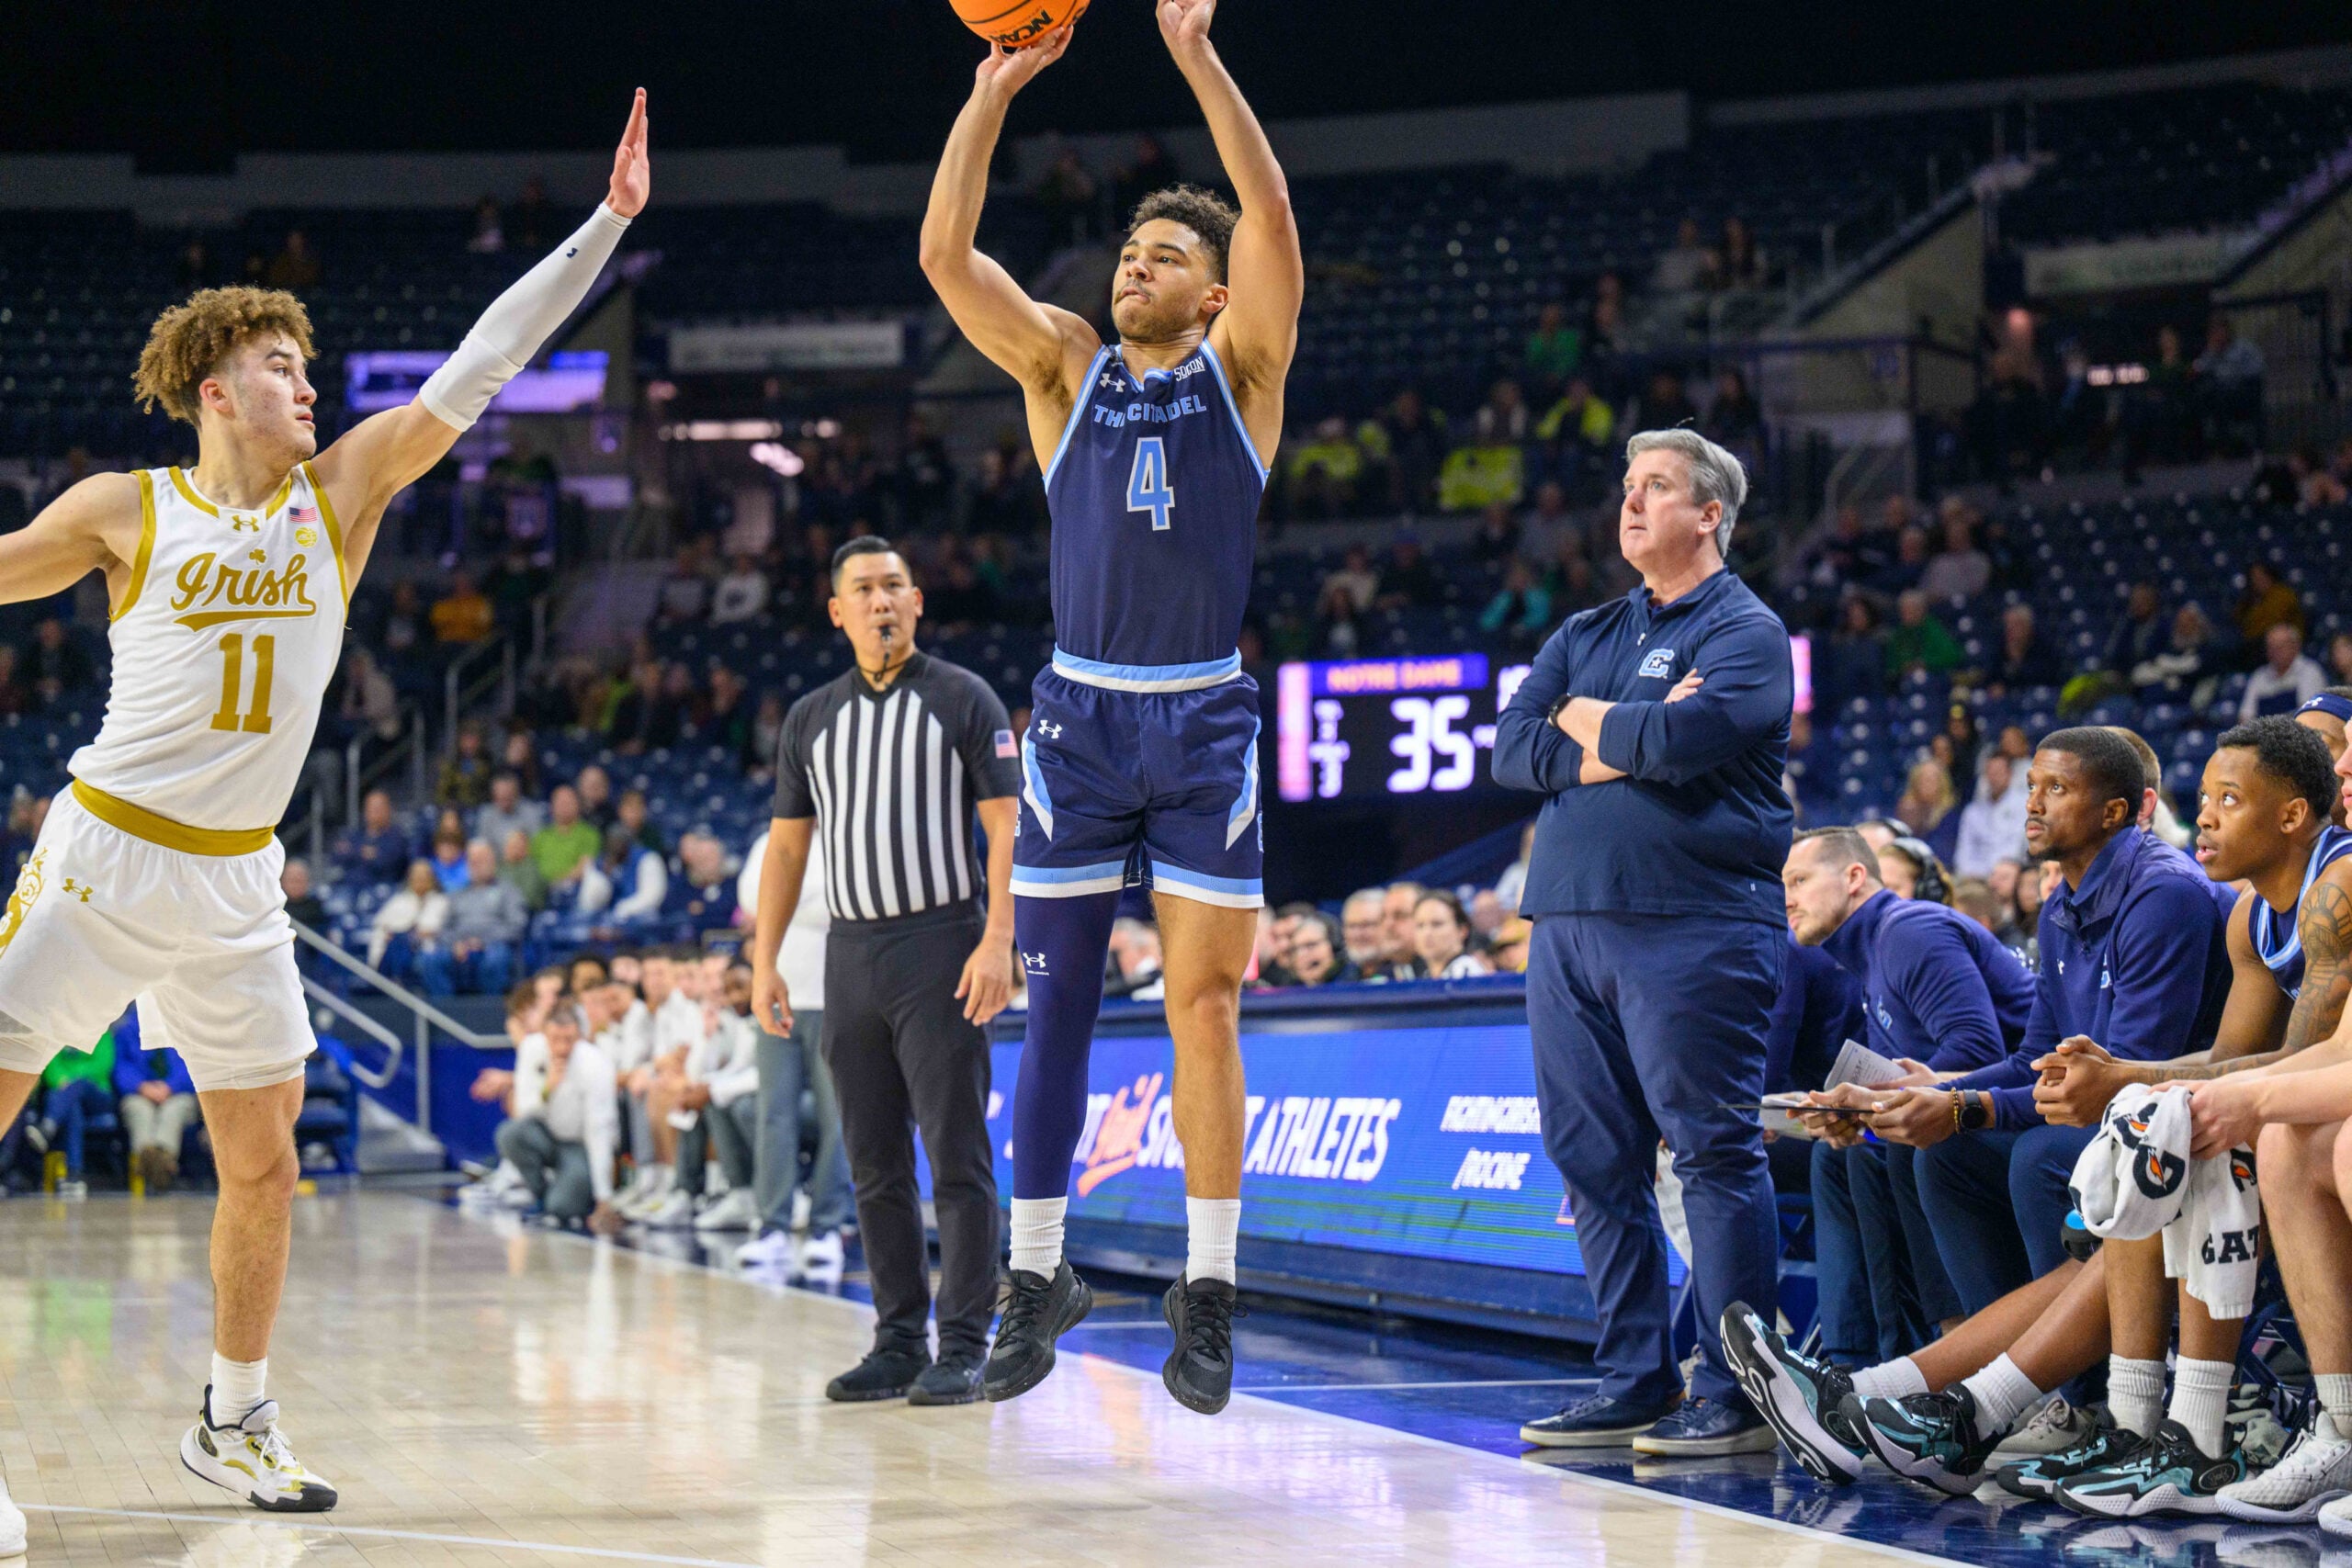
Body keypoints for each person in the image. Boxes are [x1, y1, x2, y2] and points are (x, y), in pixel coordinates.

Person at [0, 89, 649, 1534]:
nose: (312, 381)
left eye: (308, 364)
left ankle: (233, 1416)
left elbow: (483, 367)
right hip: (101, 858)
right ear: (217, 389)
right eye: (282, 365)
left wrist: (604, 225)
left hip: (237, 884)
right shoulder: (130, 506)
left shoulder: (340, 497)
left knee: (266, 1155)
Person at [921, 0, 1301, 1417]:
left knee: (1204, 1004)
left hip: (1200, 717)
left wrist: (1197, 56)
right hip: (1082, 713)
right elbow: (945, 255)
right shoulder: (1062, 366)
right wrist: (992, 92)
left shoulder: (1243, 373)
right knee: (1058, 998)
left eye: (1165, 256)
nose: (1134, 262)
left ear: (1213, 295)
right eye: (1127, 249)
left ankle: (1207, 1291)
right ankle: (1038, 1274)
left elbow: (1262, 202)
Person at [1736, 721, 2352, 1505]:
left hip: (2239, 1138)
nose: (2033, 805)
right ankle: (1903, 1392)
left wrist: (1996, 1100)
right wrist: (1944, 1097)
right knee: (1939, 1149)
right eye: (2029, 786)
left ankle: (2062, 1408)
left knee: (2121, 1138)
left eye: (2054, 788)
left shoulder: (2209, 888)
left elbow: (2285, 1065)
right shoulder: (2233, 914)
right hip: (2219, 1126)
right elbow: (2126, 1058)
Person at [1491, 426, 1794, 1456]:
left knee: (1710, 1151)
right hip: (1568, 922)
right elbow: (1511, 750)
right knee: (1592, 1162)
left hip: (1694, 924)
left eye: (1656, 487)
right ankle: (1634, 1379)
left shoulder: (1748, 631)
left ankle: (1742, 1392)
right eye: (1626, 486)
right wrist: (1613, 727)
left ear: (1709, 513)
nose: (1629, 503)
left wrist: (1583, 720)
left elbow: (1681, 742)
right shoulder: (1585, 627)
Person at [750, 536, 1019, 1408]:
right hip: (849, 954)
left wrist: (998, 939)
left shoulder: (962, 698)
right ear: (837, 611)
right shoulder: (812, 718)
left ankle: (967, 1341)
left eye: (894, 586)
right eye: (862, 589)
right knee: (872, 1161)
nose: (880, 601)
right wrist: (765, 962)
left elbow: (1007, 828)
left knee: (955, 1153)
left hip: (943, 942)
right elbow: (788, 848)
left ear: (917, 601)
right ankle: (899, 1338)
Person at [1773, 829, 2034, 1399]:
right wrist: (1855, 1109)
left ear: (1853, 878)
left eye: (1799, 881)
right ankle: (1856, 1361)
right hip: (1973, 1110)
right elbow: (1906, 1075)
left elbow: (1978, 1051)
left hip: (2025, 1109)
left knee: (1898, 1149)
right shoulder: (1870, 955)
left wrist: (1877, 1105)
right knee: (1838, 1155)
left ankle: (1947, 1365)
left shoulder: (1908, 931)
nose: (1786, 898)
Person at [733, 826, 855, 1274]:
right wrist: (797, 903)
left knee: (837, 1119)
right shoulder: (770, 840)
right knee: (773, 1114)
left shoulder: (849, 835)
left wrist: (784, 901)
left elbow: (845, 905)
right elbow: (751, 898)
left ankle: (827, 1225)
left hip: (836, 996)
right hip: (776, 995)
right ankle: (773, 1227)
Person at [494, 999, 621, 1232]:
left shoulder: (595, 1063)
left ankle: (566, 1196)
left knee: (561, 1208)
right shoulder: (531, 1049)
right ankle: (539, 1193)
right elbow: (523, 1111)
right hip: (545, 1136)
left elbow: (599, 1131)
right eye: (555, 1039)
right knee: (510, 1134)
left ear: (580, 1036)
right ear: (544, 1035)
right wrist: (548, 1089)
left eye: (569, 1040)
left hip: (580, 1145)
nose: (562, 1047)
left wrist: (605, 1198)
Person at [418, 840, 526, 996]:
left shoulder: (508, 891)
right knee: (430, 960)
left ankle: (489, 1012)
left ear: (492, 861)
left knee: (496, 959)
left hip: (493, 946)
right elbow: (444, 930)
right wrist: (456, 944)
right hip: (459, 947)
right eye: (472, 860)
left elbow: (517, 926)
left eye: (481, 859)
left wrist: (482, 942)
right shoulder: (457, 894)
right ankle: (444, 1012)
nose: (476, 864)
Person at [114, 1013, 199, 1195]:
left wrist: (170, 1087)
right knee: (139, 1110)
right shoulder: (127, 1028)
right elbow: (120, 1067)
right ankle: (158, 1162)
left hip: (177, 1092)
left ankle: (152, 1161)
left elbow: (193, 1064)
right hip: (139, 1092)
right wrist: (141, 1086)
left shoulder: (184, 1025)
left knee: (173, 1110)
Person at [2241, 621, 2324, 720]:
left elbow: (2308, 716)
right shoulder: (2259, 676)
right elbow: (2245, 717)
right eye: (2271, 647)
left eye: (2281, 646)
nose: (2276, 651)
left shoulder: (2310, 671)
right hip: (2263, 734)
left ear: (2295, 646)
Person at [1410, 890, 1491, 979]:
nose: (1427, 933)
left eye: (1437, 924)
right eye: (1420, 925)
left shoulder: (1467, 974)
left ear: (1462, 931)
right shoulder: (1426, 976)